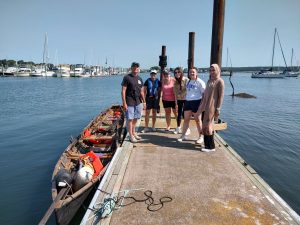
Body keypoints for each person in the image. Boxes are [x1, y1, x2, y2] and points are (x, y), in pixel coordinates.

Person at [197, 64, 224, 152]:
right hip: (205, 106)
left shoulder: (220, 81)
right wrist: (201, 107)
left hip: (212, 106)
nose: (212, 72)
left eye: (213, 70)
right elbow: (205, 95)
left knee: (209, 126)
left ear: (217, 70)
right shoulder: (209, 80)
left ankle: (211, 147)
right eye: (210, 70)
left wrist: (218, 109)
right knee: (205, 126)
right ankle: (207, 145)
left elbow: (221, 97)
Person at [178, 67, 206, 144]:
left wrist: (202, 105)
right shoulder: (188, 81)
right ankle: (183, 135)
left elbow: (204, 95)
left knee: (197, 120)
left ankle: (201, 136)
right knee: (186, 120)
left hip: (197, 102)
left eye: (193, 72)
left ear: (197, 73)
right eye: (190, 72)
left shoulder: (200, 82)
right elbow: (188, 92)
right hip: (188, 102)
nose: (192, 73)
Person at [121, 62, 146, 143]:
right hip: (129, 101)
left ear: (139, 69)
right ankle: (131, 135)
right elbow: (123, 91)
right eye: (134, 68)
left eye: (137, 68)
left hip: (138, 102)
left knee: (136, 118)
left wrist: (144, 102)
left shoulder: (140, 79)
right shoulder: (127, 77)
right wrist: (124, 103)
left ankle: (134, 132)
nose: (136, 70)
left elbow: (142, 91)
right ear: (131, 68)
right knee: (130, 119)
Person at [173, 67, 188, 134]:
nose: (177, 73)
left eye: (178, 72)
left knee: (186, 114)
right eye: (175, 72)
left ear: (181, 73)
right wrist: (176, 104)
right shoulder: (175, 82)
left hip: (186, 99)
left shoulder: (186, 80)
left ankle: (187, 128)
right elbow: (175, 94)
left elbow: (189, 90)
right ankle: (178, 127)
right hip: (179, 99)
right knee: (179, 114)